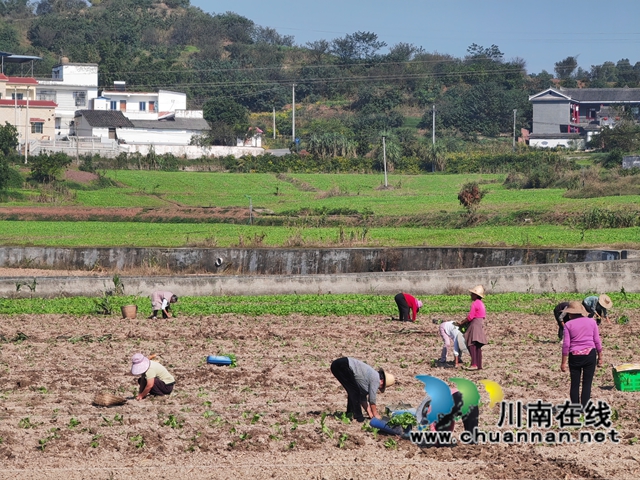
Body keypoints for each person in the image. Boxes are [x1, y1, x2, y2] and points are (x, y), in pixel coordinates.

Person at [560, 301, 603, 408]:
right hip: (590, 354)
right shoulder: (592, 322)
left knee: (575, 383)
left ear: (570, 314)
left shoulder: (568, 325)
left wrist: (563, 362)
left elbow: (566, 345)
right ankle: (585, 408)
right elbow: (597, 341)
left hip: (575, 356)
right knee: (587, 383)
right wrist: (600, 357)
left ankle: (575, 408)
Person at [330, 357, 395, 422]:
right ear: (382, 381)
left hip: (338, 365)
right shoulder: (376, 379)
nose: (379, 388)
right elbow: (372, 399)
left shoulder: (368, 380)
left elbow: (362, 398)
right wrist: (375, 414)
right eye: (381, 386)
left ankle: (349, 413)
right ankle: (359, 417)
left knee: (353, 391)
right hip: (343, 365)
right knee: (354, 391)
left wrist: (370, 414)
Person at [455, 285, 488, 370]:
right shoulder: (481, 304)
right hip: (480, 323)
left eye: (473, 294)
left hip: (475, 324)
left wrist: (461, 323)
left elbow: (470, 317)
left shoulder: (475, 303)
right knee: (477, 345)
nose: (471, 295)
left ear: (476, 295)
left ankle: (474, 364)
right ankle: (479, 365)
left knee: (471, 343)